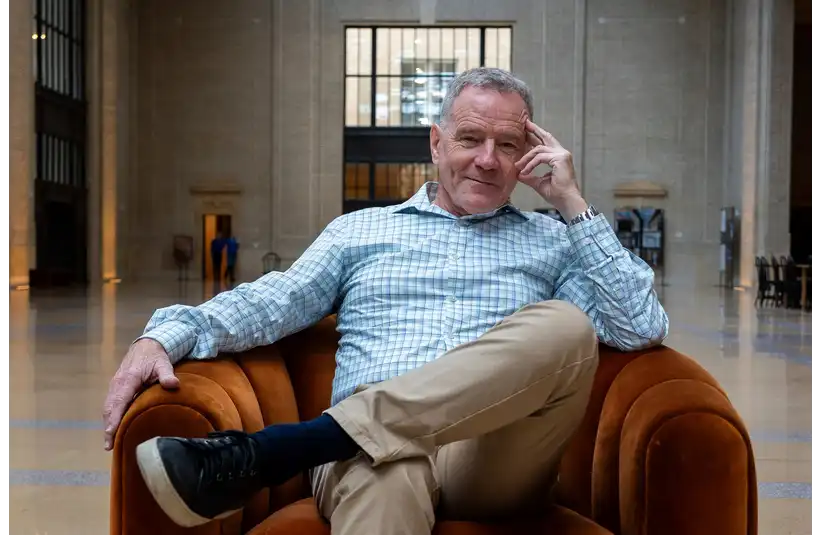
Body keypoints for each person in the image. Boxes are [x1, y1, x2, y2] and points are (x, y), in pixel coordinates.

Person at [102, 68, 668, 533]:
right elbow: (274, 301)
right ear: (436, 141)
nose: (489, 160)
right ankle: (342, 438)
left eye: (509, 145)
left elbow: (640, 325)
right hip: (369, 460)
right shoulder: (361, 232)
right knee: (385, 468)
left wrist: (572, 204)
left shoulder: (554, 240)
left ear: (530, 155)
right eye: (471, 139)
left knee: (565, 328)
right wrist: (163, 333)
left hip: (492, 457)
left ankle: (289, 448)